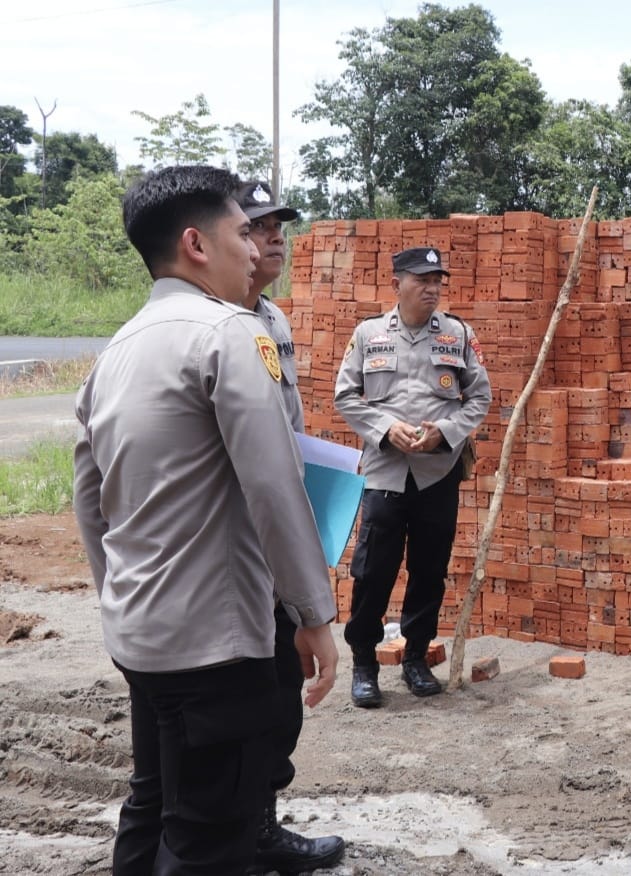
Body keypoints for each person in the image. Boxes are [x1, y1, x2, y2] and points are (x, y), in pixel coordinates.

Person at [73, 165, 339, 875]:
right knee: (210, 840)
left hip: (141, 634)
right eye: (242, 233)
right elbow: (274, 484)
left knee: (153, 804)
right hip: (215, 648)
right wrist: (312, 612)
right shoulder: (228, 333)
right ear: (196, 244)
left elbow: (89, 499)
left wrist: (118, 590)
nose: (255, 250)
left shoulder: (117, 349)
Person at [234, 180, 346, 874]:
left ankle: (260, 826)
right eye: (257, 226)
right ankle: (234, 837)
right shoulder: (214, 328)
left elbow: (287, 429)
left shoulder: (271, 319)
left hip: (278, 545)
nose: (275, 237)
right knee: (239, 708)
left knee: (280, 703)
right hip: (235, 552)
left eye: (280, 225)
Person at [335, 246, 491, 708]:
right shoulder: (369, 334)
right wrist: (386, 429)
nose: (432, 288)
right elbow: (345, 395)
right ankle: (364, 664)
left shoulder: (458, 334)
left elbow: (479, 398)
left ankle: (417, 658)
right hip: (385, 473)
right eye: (422, 280)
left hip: (436, 473)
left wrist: (445, 432)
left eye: (437, 281)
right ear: (397, 283)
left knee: (429, 569)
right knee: (372, 571)